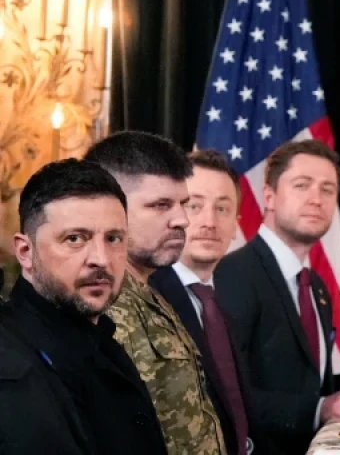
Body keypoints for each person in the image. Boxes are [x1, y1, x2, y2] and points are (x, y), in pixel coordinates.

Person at [216, 140, 340, 455]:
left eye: (327, 189)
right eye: (301, 185)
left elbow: (312, 390)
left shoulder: (315, 286)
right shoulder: (233, 275)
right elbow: (224, 396)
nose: (316, 199)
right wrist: (319, 408)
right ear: (269, 196)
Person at [0, 158, 167, 454]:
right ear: (25, 251)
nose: (101, 259)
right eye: (75, 239)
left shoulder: (102, 341)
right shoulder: (14, 364)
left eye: (114, 238)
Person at [85, 131, 226, 455]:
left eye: (183, 204)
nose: (182, 220)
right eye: (161, 205)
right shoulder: (101, 305)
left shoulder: (152, 293)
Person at [149, 149, 254, 455]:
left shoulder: (222, 304)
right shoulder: (149, 297)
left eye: (222, 209)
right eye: (195, 206)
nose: (209, 222)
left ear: (236, 225)